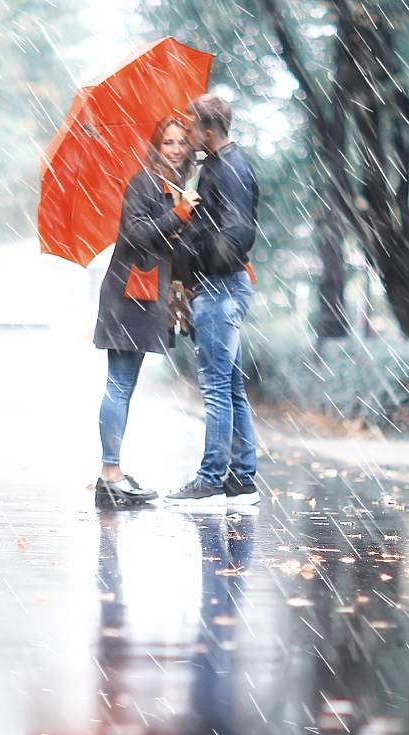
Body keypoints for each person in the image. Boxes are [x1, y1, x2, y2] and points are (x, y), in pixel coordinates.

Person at [91, 116, 199, 509]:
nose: (175, 149)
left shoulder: (172, 188)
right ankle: (110, 474)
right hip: (127, 298)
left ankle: (112, 473)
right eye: (168, 142)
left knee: (124, 385)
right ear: (157, 147)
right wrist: (180, 214)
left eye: (181, 143)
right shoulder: (144, 182)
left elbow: (167, 242)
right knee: (119, 384)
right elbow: (136, 234)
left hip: (142, 299)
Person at [167, 94, 260, 509]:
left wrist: (199, 256)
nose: (187, 137)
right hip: (218, 287)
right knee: (232, 387)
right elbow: (218, 228)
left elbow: (238, 236)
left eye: (191, 130)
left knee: (218, 388)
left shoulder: (230, 171)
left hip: (221, 289)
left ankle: (211, 479)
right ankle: (242, 480)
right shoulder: (217, 169)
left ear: (208, 132)